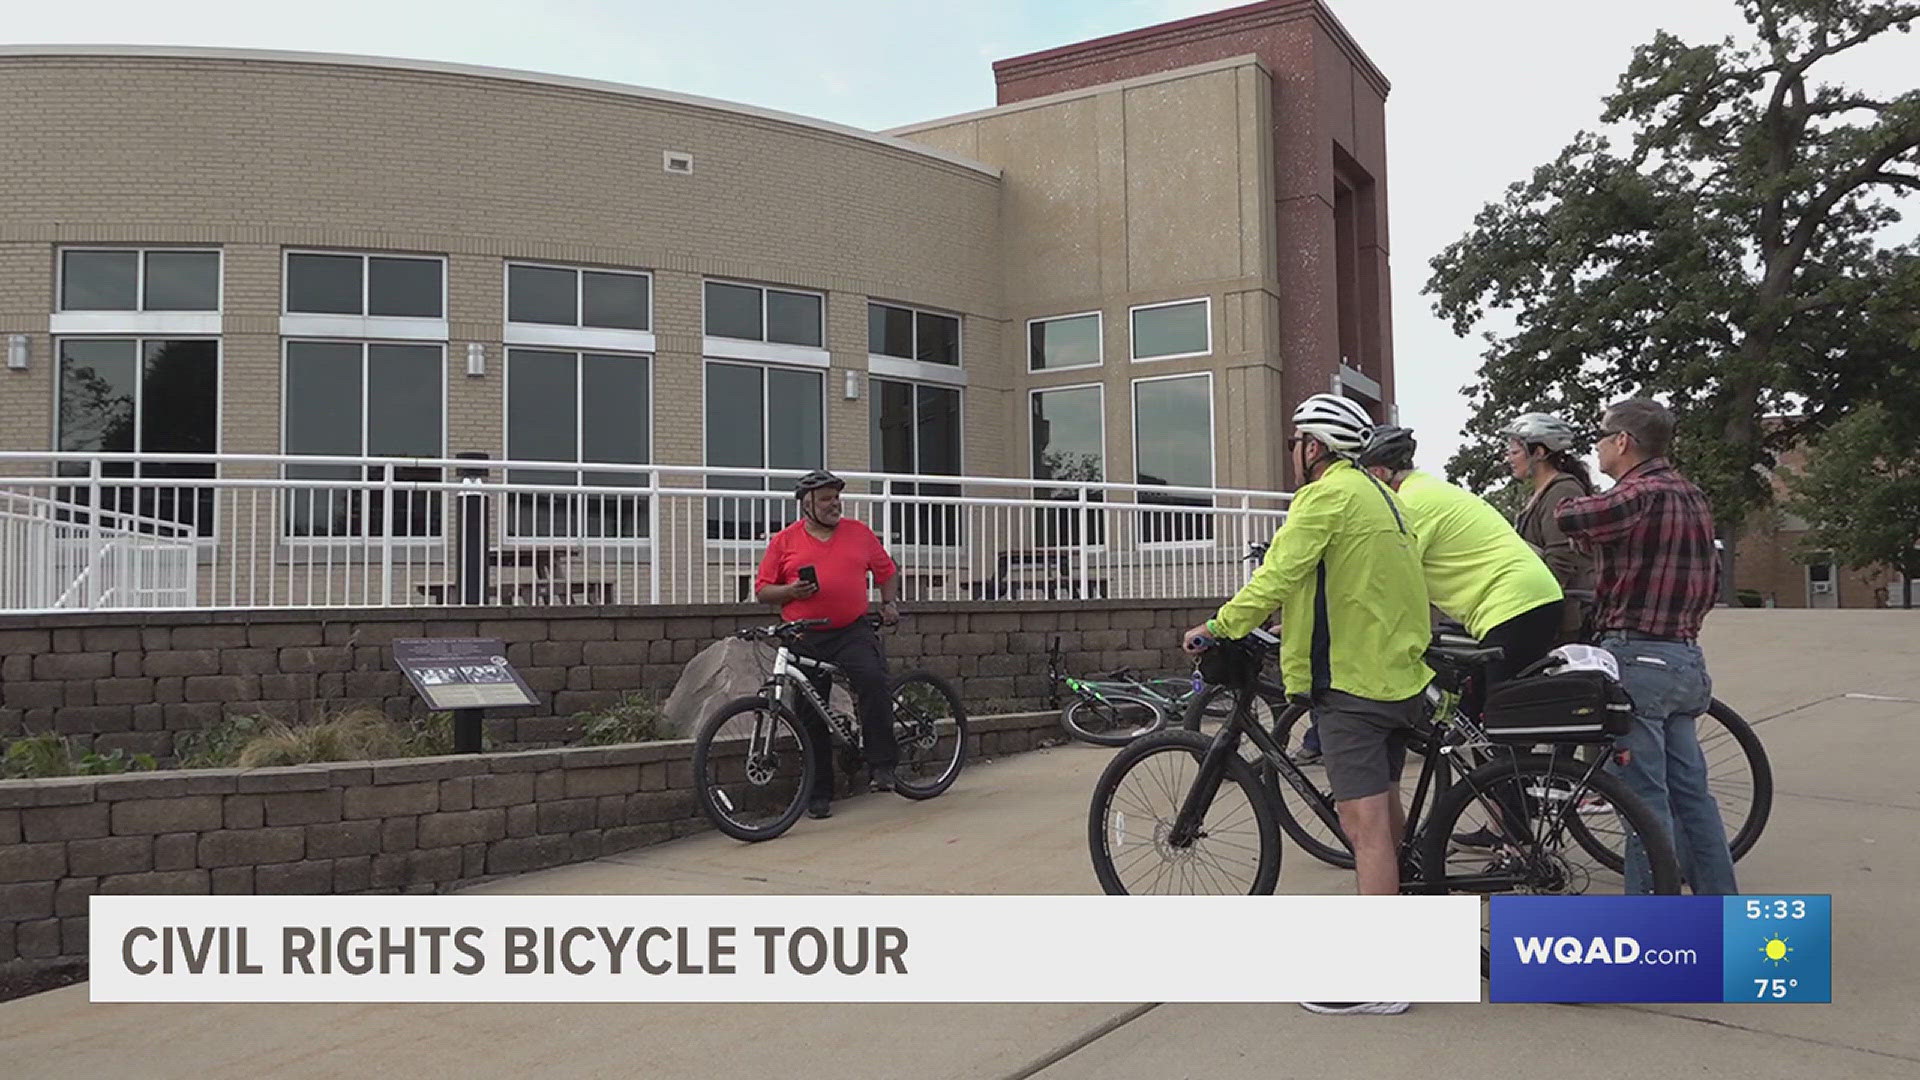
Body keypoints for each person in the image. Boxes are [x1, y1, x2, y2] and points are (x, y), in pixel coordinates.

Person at [1183, 392, 1431, 1017]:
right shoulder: (1383, 497)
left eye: (1295, 441)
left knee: (1363, 829)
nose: (1292, 452)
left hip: (1353, 683)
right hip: (1399, 675)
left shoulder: (1325, 496)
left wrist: (1219, 625)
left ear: (1313, 447)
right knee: (1388, 813)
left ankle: (1380, 981)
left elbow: (1278, 575)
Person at [1556, 398, 1736, 895]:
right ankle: (1721, 911)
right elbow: (1709, 575)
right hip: (1684, 657)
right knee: (1692, 797)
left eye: (1600, 436)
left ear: (1622, 442)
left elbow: (1571, 516)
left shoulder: (1639, 494)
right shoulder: (1692, 495)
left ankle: (1651, 928)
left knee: (1643, 803)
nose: (1595, 446)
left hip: (1638, 659)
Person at [1357, 425, 1565, 684]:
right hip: (1525, 599)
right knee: (1473, 701)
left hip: (1515, 605)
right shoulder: (1424, 489)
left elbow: (1386, 578)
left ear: (1378, 473)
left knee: (1501, 708)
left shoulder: (1409, 505)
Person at [752, 469, 901, 820]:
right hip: (804, 634)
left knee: (872, 680)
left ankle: (882, 766)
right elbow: (762, 590)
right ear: (807, 505)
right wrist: (790, 592)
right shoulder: (785, 541)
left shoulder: (859, 534)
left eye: (836, 497)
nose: (834, 504)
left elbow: (886, 571)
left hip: (851, 629)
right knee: (809, 714)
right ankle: (819, 793)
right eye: (826, 499)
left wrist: (889, 602)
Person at [1502, 412, 1596, 640]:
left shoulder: (1563, 492)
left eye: (1515, 452)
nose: (1508, 459)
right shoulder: (1542, 493)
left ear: (1540, 453)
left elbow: (1561, 559)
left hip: (1562, 622)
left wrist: (1531, 607)